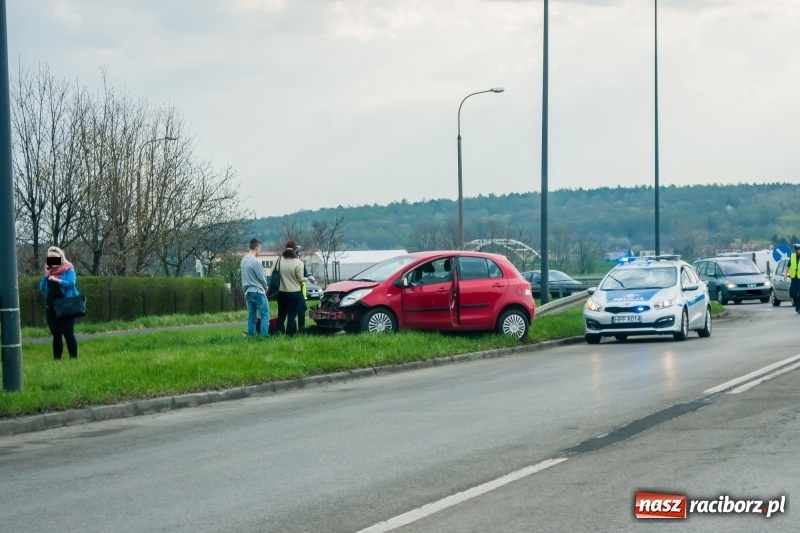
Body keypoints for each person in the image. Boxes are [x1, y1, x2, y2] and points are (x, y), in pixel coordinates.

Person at [39, 246, 80, 360]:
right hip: (51, 307)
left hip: (65, 306)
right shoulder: (50, 273)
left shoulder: (68, 269)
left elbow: (71, 284)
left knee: (68, 333)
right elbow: (42, 287)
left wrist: (58, 280)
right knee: (56, 335)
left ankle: (73, 358)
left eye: (55, 259)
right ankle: (57, 359)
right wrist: (47, 275)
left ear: (61, 258)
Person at [276, 240, 306, 336]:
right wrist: (306, 279)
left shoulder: (279, 260)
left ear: (285, 248)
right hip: (294, 292)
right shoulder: (299, 263)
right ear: (295, 250)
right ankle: (289, 336)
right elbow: (300, 278)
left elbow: (273, 272)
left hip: (281, 292)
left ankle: (278, 334)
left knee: (281, 315)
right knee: (291, 315)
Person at [241, 238, 270, 337]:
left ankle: (251, 335)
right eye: (260, 248)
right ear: (257, 248)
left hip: (247, 291)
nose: (260, 251)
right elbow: (262, 278)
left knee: (251, 315)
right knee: (265, 314)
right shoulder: (255, 262)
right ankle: (264, 336)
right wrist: (266, 287)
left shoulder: (243, 260)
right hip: (257, 291)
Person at [787, 244, 800, 314]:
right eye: (795, 250)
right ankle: (797, 305)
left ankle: (798, 307)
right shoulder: (792, 256)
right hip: (794, 278)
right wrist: (785, 274)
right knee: (793, 293)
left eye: (797, 250)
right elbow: (788, 266)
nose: (796, 251)